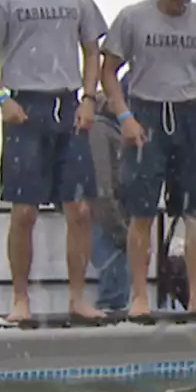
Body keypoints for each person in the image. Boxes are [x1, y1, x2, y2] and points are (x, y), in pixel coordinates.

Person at [0, 0, 108, 323]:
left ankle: (77, 297)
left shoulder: (78, 0)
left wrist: (89, 98)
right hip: (25, 107)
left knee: (79, 209)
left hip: (69, 105)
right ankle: (20, 298)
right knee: (24, 210)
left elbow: (92, 50)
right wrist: (2, 98)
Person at [99, 0, 196, 317]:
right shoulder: (132, 18)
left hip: (190, 115)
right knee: (141, 211)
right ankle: (139, 297)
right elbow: (107, 70)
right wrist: (123, 115)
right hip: (146, 112)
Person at [87, 89, 130, 312]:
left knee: (118, 284)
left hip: (113, 215)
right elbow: (101, 184)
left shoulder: (111, 128)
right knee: (114, 285)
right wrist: (119, 229)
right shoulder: (100, 129)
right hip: (104, 218)